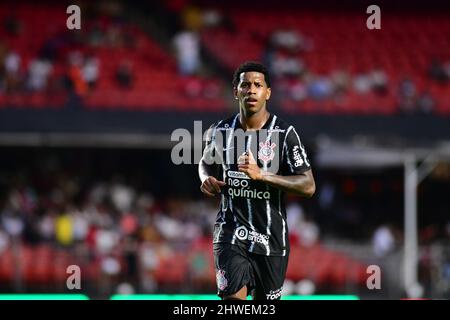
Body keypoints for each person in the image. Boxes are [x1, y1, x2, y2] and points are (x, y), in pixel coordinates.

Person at [198, 61, 315, 300]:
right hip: (230, 232)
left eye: (258, 85)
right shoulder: (220, 131)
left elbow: (308, 185)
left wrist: (263, 175)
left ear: (267, 92)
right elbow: (206, 161)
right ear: (236, 91)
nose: (251, 89)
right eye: (245, 84)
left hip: (271, 239)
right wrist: (206, 177)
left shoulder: (284, 134)